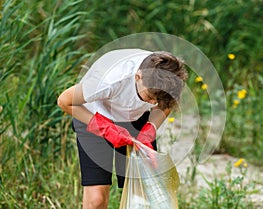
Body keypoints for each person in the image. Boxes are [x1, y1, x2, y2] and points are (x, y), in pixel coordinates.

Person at [57, 48, 188, 209]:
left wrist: (150, 128)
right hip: (92, 116)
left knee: (142, 196)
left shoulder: (168, 77)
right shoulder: (110, 80)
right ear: (138, 77)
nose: (153, 103)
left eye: (157, 99)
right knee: (96, 200)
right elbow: (64, 101)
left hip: (135, 119)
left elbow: (166, 104)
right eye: (150, 97)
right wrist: (106, 128)